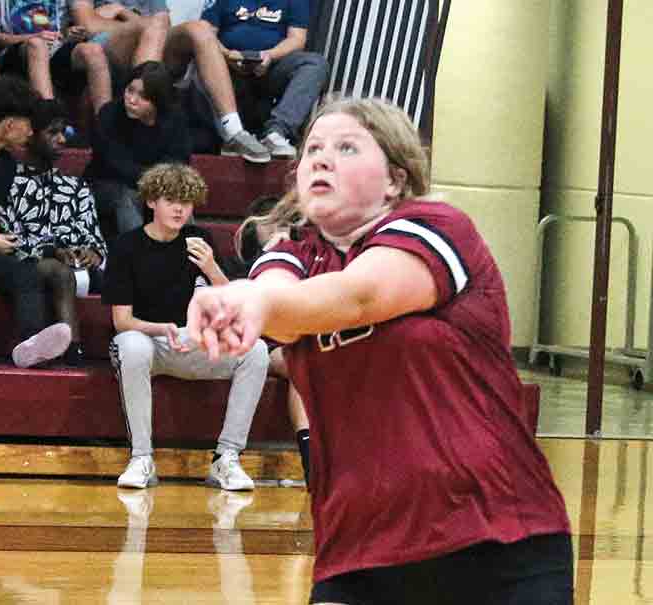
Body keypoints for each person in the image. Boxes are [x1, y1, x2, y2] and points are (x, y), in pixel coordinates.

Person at [186, 97, 573, 604]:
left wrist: (252, 301)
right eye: (313, 150)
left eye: (347, 147)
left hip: (496, 541)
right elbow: (278, 299)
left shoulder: (438, 227)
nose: (322, 159)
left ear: (394, 178)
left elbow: (359, 296)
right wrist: (235, 298)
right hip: (357, 553)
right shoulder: (289, 254)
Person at [103, 163, 269, 490]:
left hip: (194, 343)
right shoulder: (127, 246)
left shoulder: (199, 240)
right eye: (171, 200)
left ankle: (227, 458)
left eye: (187, 201)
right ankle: (141, 458)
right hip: (150, 342)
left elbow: (232, 301)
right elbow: (122, 321)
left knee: (256, 350)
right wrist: (161, 328)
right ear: (151, 202)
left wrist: (210, 266)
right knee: (130, 345)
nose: (180, 208)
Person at [0, 98, 108, 366]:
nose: (61, 139)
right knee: (59, 272)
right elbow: (9, 237)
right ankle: (74, 351)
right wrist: (52, 250)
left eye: (64, 132)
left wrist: (92, 251)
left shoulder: (75, 185)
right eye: (53, 132)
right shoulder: (10, 182)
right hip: (30, 263)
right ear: (33, 134)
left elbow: (92, 231)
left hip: (77, 266)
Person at [0, 78, 74, 368]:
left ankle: (31, 347)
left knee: (25, 270)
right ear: (9, 125)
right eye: (28, 124)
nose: (32, 133)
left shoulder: (4, 164)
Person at [164, 0, 327, 163]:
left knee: (315, 64)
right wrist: (227, 55)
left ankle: (276, 133)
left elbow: (297, 39)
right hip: (226, 68)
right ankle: (230, 134)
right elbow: (206, 34)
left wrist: (269, 55)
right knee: (202, 64)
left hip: (271, 68)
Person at [227, 193, 311, 486]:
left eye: (285, 222)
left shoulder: (305, 258)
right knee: (304, 364)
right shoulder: (242, 263)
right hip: (261, 342)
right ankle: (311, 456)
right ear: (254, 228)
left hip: (301, 338)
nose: (279, 229)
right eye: (272, 222)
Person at [84, 61, 191, 239]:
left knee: (178, 198)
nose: (132, 100)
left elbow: (178, 161)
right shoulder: (109, 114)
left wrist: (160, 186)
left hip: (153, 186)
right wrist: (154, 182)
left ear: (158, 101)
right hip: (106, 185)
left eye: (143, 96)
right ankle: (139, 256)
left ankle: (189, 258)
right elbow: (115, 163)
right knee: (127, 195)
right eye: (130, 90)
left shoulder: (174, 120)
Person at [0, 0, 113, 117]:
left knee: (93, 51)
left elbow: (57, 32)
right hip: (17, 51)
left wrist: (68, 34)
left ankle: (105, 122)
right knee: (37, 44)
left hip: (55, 47)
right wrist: (33, 36)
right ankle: (49, 118)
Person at [69, 0, 169, 70]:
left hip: (145, 37)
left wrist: (122, 11)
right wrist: (140, 24)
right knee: (153, 28)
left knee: (184, 31)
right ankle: (140, 90)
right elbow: (89, 26)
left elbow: (163, 25)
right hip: (103, 41)